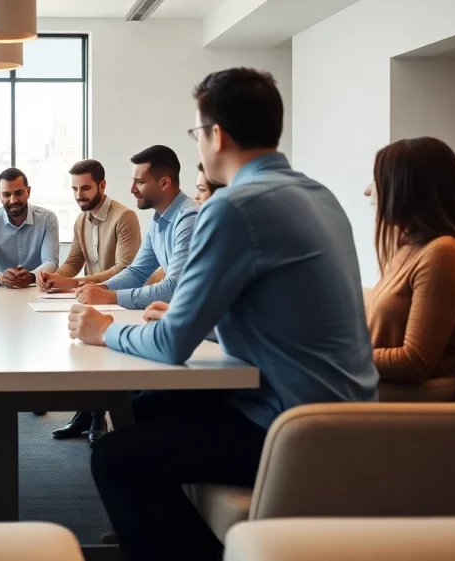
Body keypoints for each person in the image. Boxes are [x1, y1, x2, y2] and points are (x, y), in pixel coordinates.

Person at [67, 68, 378, 560]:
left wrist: (105, 332)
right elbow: (272, 309)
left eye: (197, 133)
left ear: (217, 136)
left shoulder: (233, 206)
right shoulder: (321, 196)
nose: (198, 146)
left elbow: (172, 344)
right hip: (345, 416)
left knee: (114, 457)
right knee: (139, 409)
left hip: (291, 428)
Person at [364, 137, 455, 385]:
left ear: (405, 189)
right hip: (381, 390)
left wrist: (342, 359)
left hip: (414, 403)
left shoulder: (445, 254)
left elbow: (414, 362)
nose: (368, 190)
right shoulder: (410, 249)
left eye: (378, 180)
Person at [38, 159, 142, 447]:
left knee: (100, 360)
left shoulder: (125, 217)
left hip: (119, 301)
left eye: (85, 188)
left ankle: (99, 419)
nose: (79, 195)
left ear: (102, 185)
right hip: (91, 299)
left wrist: (75, 284)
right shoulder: (81, 220)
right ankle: (85, 415)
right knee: (83, 355)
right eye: (74, 188)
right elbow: (74, 261)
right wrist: (50, 277)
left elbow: (125, 268)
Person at [73, 145, 199, 310]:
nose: (132, 189)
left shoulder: (189, 218)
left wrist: (110, 297)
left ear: (164, 183)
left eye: (139, 182)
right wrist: (102, 288)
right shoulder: (158, 220)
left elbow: (174, 287)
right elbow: (137, 272)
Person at [0, 167, 59, 288]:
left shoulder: (47, 219)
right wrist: (1, 278)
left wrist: (31, 276)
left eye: (18, 193)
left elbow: (51, 261)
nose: (13, 200)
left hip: (37, 289)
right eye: (6, 194)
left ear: (28, 191)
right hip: (1, 291)